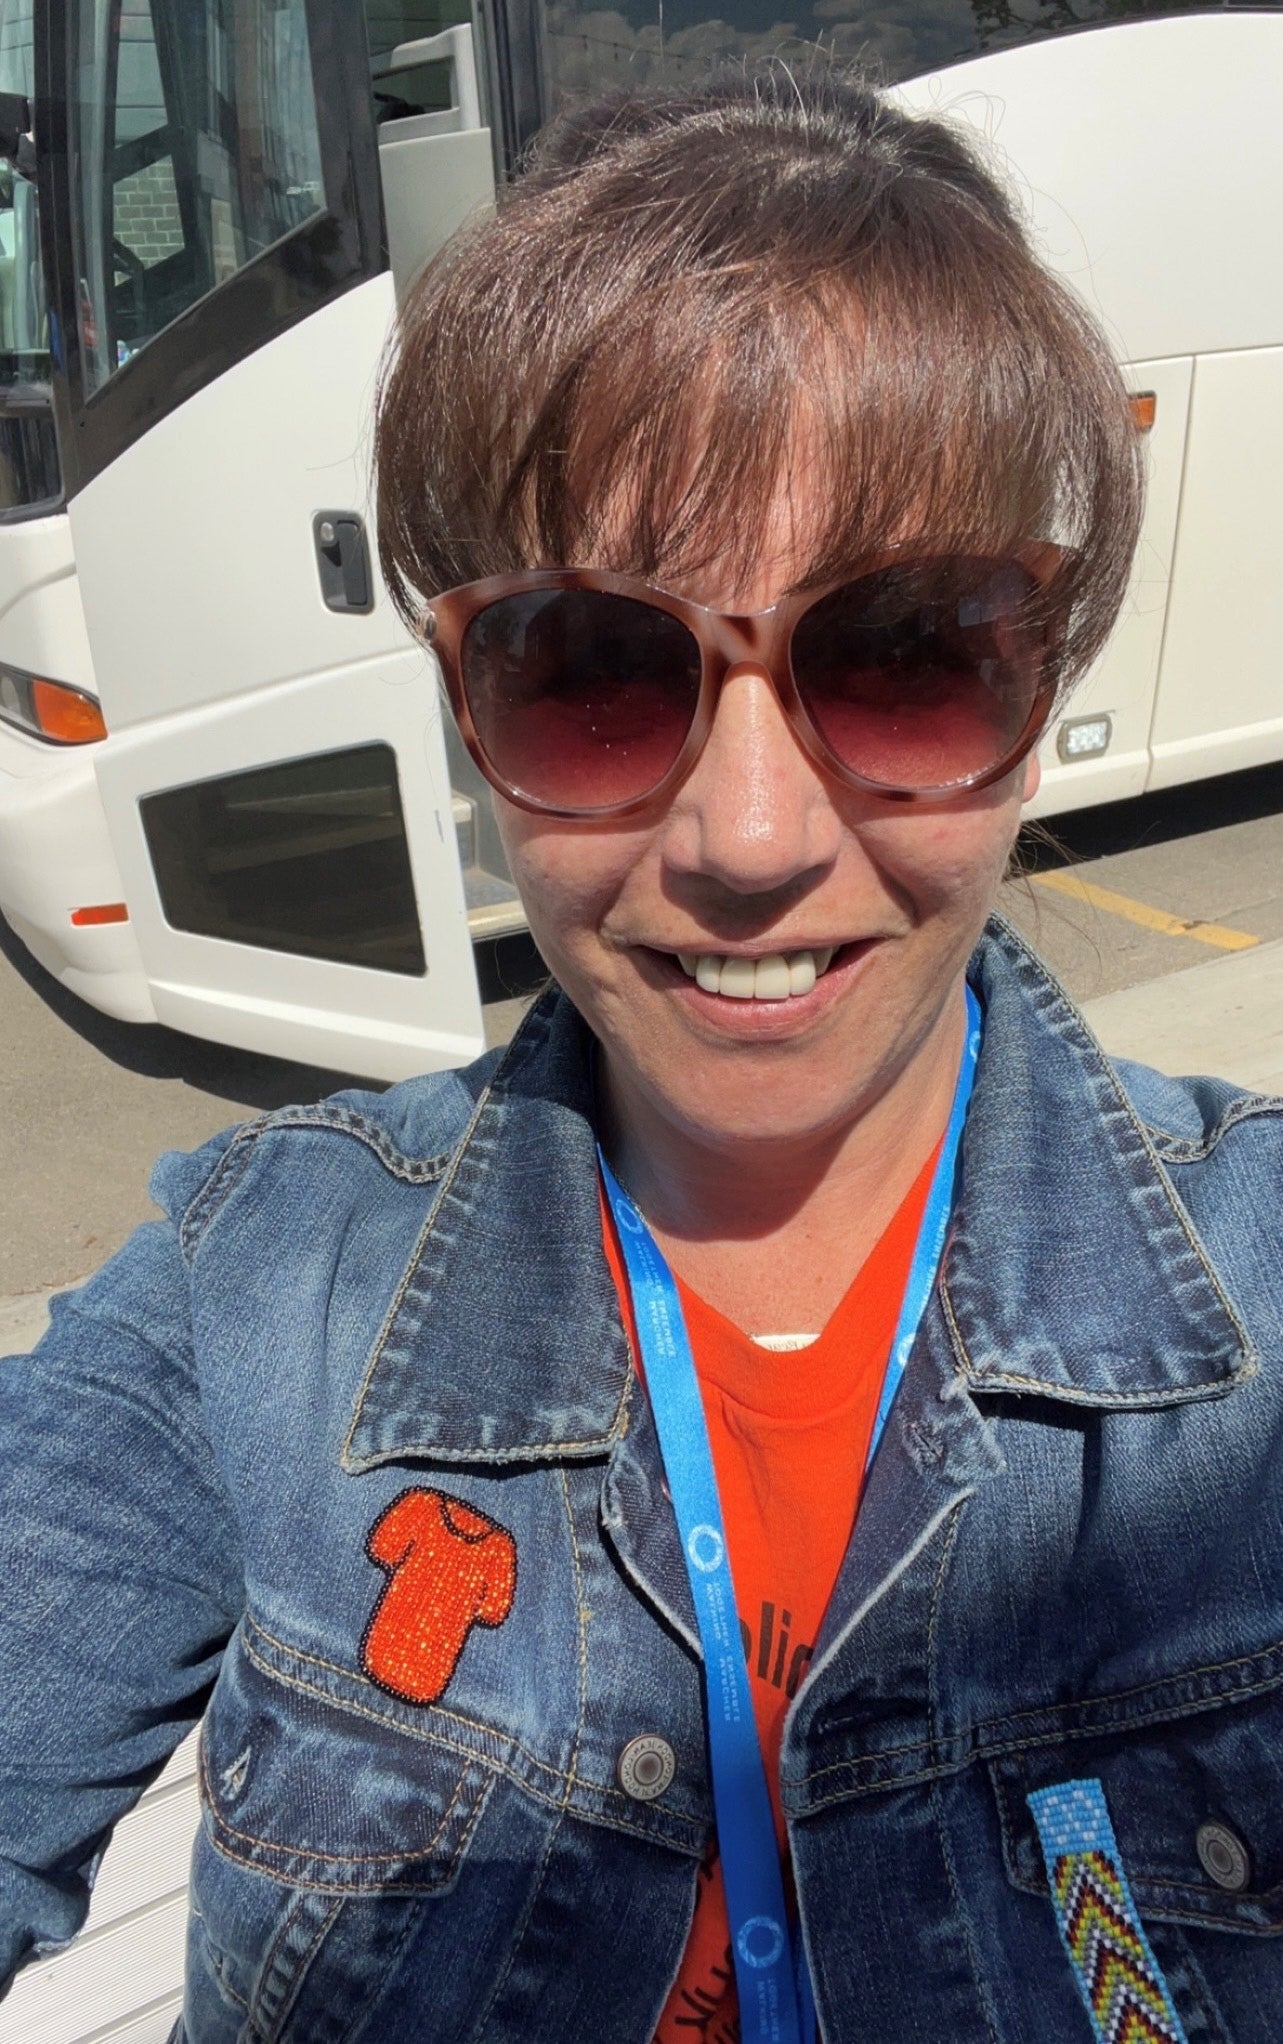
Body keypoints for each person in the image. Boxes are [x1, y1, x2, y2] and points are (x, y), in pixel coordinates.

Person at [2, 65, 1281, 2044]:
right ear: (460, 696)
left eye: (908, 643)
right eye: (594, 665)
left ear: (1045, 676)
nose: (750, 840)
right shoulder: (250, 1284)